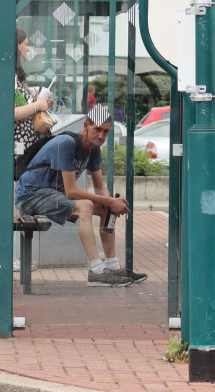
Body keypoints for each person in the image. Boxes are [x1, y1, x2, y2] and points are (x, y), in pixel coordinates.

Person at [14, 105, 144, 286]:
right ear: (85, 126)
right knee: (85, 206)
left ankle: (113, 267)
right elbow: (71, 191)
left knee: (106, 208)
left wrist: (109, 204)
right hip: (30, 196)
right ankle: (97, 271)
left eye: (105, 132)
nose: (101, 136)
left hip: (50, 195)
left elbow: (100, 187)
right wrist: (109, 200)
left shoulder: (93, 149)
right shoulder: (67, 144)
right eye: (97, 129)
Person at [14, 27, 51, 164]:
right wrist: (36, 106)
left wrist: (38, 101)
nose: (28, 49)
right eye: (26, 44)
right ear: (17, 46)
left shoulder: (15, 75)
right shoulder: (10, 76)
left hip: (24, 147)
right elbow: (12, 112)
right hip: (18, 149)